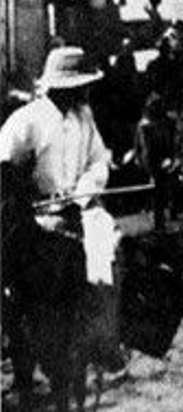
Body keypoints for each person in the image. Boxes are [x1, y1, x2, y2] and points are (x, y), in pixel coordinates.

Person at [0, 47, 125, 371]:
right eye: (80, 87)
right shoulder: (26, 121)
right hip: (35, 214)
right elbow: (4, 168)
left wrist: (84, 192)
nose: (85, 93)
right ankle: (12, 334)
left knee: (109, 245)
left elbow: (99, 160)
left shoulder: (84, 118)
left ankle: (104, 338)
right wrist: (25, 196)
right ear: (60, 87)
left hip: (78, 209)